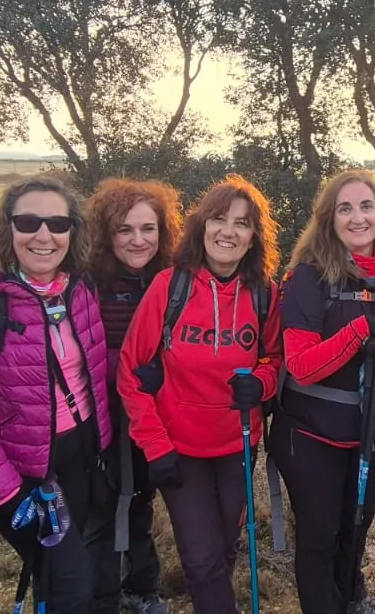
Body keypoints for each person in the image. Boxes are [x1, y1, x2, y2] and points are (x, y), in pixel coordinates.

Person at [0, 176, 117, 613]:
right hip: (18, 469)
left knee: (55, 575)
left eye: (57, 222)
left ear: (72, 231)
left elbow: (89, 372)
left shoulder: (79, 288)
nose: (43, 234)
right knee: (73, 580)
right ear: (8, 227)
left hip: (76, 453)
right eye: (29, 221)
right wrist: (8, 494)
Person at [114, 175, 284, 614]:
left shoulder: (265, 294)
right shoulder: (170, 287)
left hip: (237, 446)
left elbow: (276, 359)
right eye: (218, 219)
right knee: (201, 557)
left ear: (253, 237)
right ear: (201, 226)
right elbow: (130, 373)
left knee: (224, 547)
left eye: (242, 224)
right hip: (178, 449)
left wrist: (262, 383)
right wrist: (154, 445)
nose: (228, 231)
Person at [272, 170, 375, 614]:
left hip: (373, 430)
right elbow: (301, 365)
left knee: (357, 524)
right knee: (320, 534)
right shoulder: (309, 277)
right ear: (329, 219)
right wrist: (362, 330)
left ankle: (350, 597)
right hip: (309, 432)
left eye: (366, 206)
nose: (357, 217)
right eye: (345, 208)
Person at [85, 178, 185, 614]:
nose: (138, 240)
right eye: (126, 229)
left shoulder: (172, 282)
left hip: (152, 410)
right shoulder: (89, 282)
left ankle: (141, 586)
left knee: (141, 497)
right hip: (101, 410)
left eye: (148, 228)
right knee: (105, 501)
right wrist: (121, 370)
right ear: (107, 234)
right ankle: (104, 592)